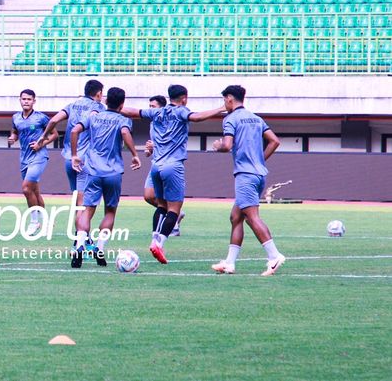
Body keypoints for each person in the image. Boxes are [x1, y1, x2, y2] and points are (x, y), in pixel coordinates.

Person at [121, 84, 224, 264]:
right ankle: (159, 244)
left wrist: (112, 107)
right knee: (174, 210)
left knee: (161, 205)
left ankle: (155, 240)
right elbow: (197, 117)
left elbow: (132, 111)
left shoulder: (157, 113)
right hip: (173, 166)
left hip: (156, 166)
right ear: (184, 98)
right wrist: (221, 108)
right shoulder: (182, 111)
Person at [211, 85, 285, 276]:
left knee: (252, 217)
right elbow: (275, 141)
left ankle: (274, 256)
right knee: (236, 217)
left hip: (245, 175)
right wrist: (259, 160)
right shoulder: (256, 118)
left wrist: (218, 146)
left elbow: (227, 145)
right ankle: (229, 263)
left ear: (229, 99)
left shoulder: (230, 119)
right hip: (259, 174)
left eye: (224, 101)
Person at [70, 87, 140, 268]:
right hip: (113, 172)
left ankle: (79, 245)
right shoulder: (123, 120)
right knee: (110, 211)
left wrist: (75, 154)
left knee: (87, 210)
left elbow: (74, 131)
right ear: (122, 104)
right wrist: (134, 154)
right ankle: (99, 248)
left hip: (92, 170)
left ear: (106, 100)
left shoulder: (93, 116)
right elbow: (125, 133)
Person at [38, 79, 104, 228]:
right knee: (83, 202)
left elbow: (54, 120)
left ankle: (80, 236)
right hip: (83, 160)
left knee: (77, 199)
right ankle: (80, 239)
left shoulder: (72, 105)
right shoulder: (98, 107)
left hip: (68, 158)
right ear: (99, 93)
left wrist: (43, 136)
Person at [8, 89, 57, 235]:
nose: (26, 101)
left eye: (29, 99)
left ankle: (34, 222)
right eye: (24, 99)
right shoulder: (15, 117)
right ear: (20, 100)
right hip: (24, 157)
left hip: (39, 156)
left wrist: (40, 144)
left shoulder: (41, 118)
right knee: (34, 191)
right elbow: (15, 131)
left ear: (34, 101)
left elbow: (54, 135)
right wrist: (13, 138)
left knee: (26, 189)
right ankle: (47, 221)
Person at [142, 95, 184, 237]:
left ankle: (173, 222)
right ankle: (175, 214)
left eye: (153, 107)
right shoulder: (153, 123)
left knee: (165, 202)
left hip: (169, 164)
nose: (150, 109)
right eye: (149, 106)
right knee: (148, 196)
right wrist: (149, 150)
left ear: (162, 108)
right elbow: (150, 150)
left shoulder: (171, 121)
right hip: (156, 163)